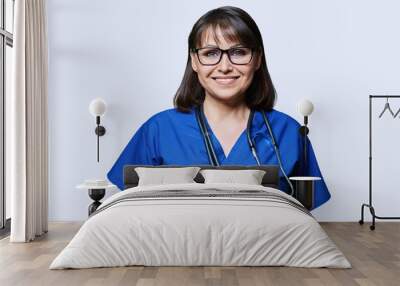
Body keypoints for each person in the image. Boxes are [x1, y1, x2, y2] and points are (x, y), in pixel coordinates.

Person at [107, 6, 331, 209]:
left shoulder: (288, 132)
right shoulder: (159, 129)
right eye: (210, 53)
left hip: (267, 252)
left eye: (239, 52)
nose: (224, 66)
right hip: (177, 252)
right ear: (194, 61)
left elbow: (304, 213)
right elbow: (130, 206)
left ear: (257, 59)